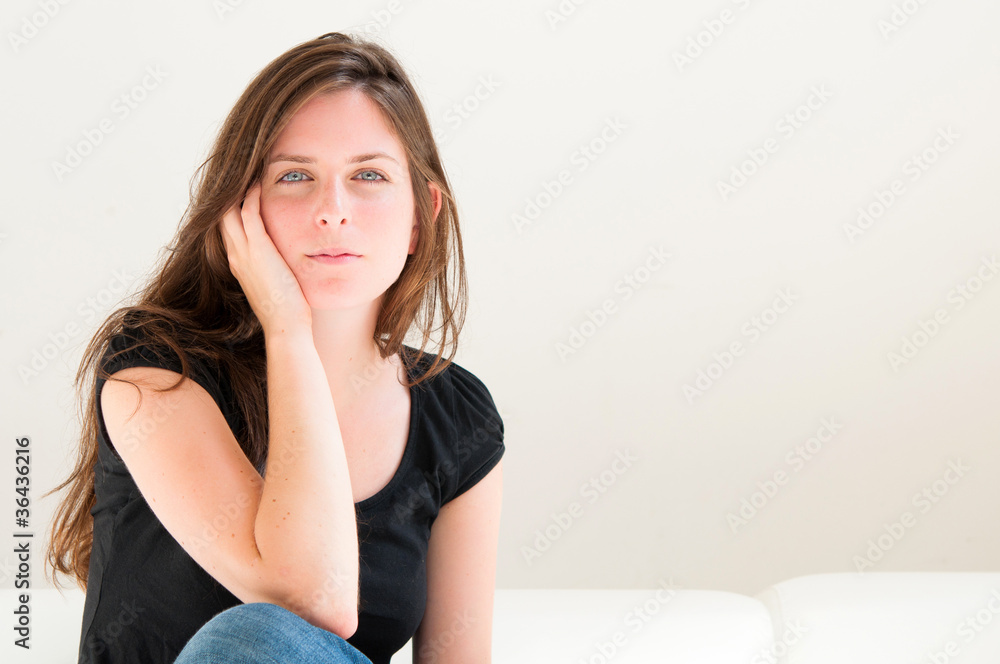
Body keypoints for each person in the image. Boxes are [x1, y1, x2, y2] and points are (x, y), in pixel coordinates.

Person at [43, 31, 505, 664]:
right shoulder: (155, 370)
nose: (332, 211)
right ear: (240, 208)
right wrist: (287, 329)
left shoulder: (459, 416)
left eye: (369, 175)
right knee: (254, 635)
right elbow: (311, 598)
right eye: (294, 176)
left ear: (421, 213)